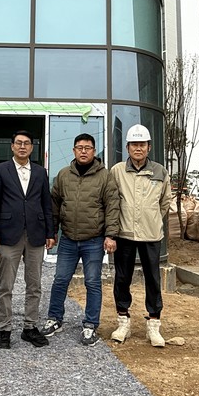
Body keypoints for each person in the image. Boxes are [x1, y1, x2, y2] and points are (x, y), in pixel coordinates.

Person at [40, 134, 119, 346]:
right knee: (60, 280)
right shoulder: (64, 175)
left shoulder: (105, 176)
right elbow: (54, 205)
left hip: (94, 240)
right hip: (68, 239)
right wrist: (51, 232)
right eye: (79, 147)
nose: (83, 151)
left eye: (88, 147)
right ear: (74, 151)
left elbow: (112, 206)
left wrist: (110, 235)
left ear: (94, 151)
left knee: (92, 282)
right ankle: (55, 319)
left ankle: (90, 324)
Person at [0, 130, 55, 349]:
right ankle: (4, 329)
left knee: (34, 284)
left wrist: (50, 232)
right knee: (6, 284)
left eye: (27, 143)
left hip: (36, 234)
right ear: (12, 146)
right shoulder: (1, 170)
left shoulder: (40, 172)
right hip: (9, 233)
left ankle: (30, 327)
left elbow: (46, 203)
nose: (22, 146)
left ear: (32, 147)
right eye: (19, 143)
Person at [109, 124, 172, 347]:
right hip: (124, 234)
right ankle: (123, 322)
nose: (138, 148)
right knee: (122, 278)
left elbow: (165, 201)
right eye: (134, 144)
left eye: (142, 144)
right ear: (127, 147)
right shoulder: (117, 171)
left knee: (153, 279)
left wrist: (151, 218)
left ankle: (154, 324)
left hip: (151, 235)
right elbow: (111, 200)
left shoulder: (160, 171)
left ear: (149, 147)